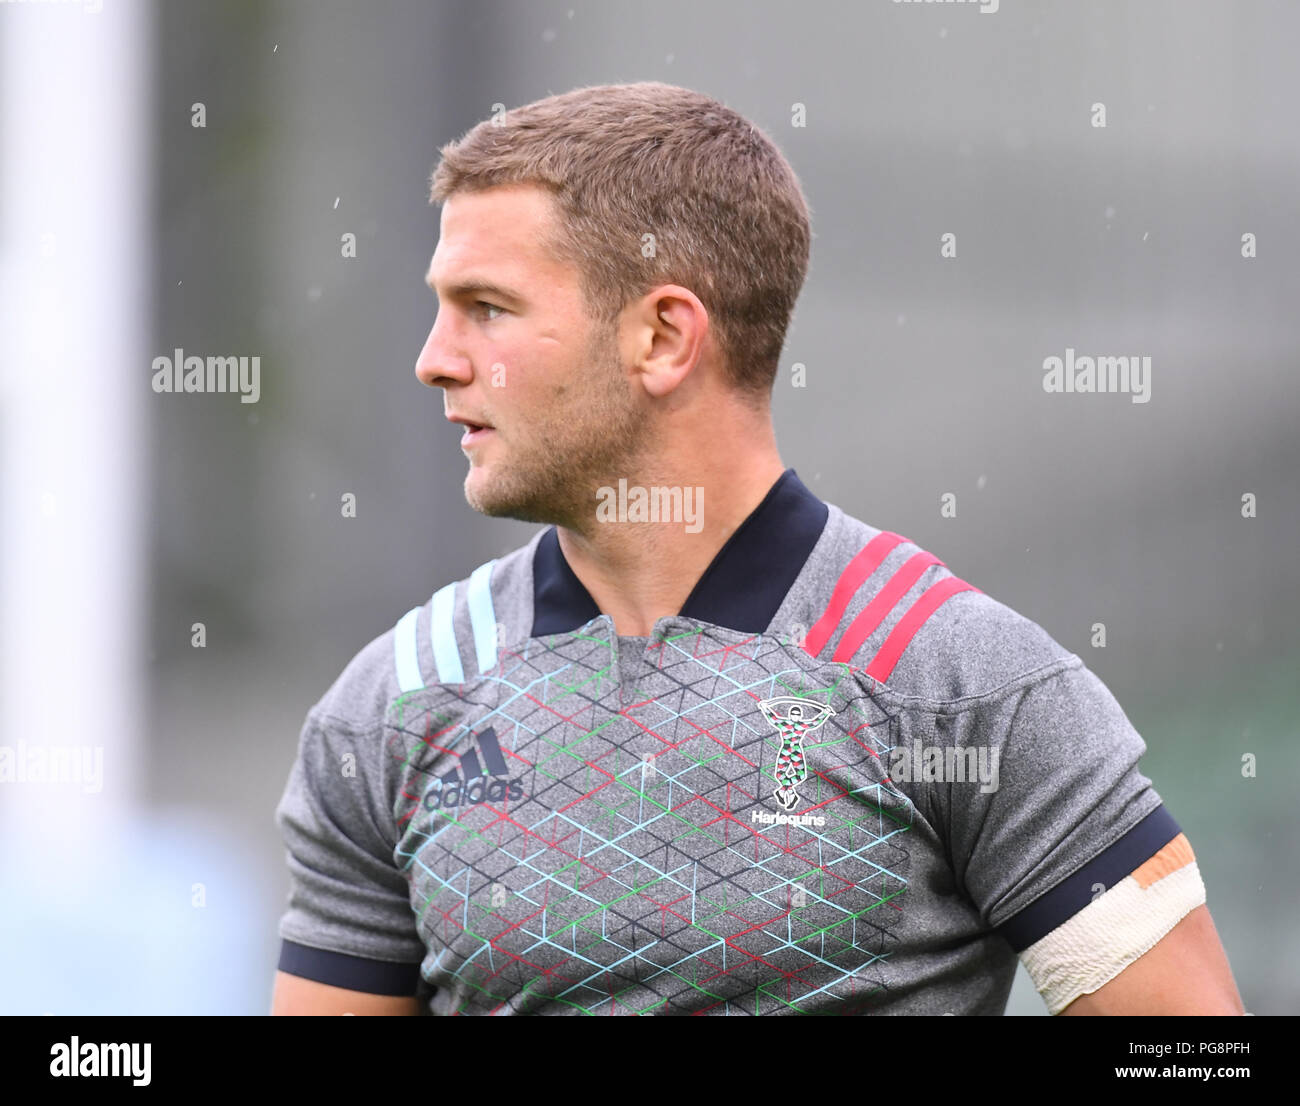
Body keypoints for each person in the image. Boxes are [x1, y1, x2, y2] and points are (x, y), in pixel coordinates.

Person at [270, 81, 1244, 1016]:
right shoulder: (387, 709)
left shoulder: (965, 684)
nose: (433, 357)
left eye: (486, 307)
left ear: (661, 337)